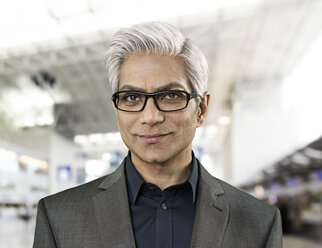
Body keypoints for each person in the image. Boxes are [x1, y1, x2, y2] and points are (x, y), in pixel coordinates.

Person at [33, 22, 282, 248]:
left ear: (202, 109)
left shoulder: (258, 222)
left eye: (171, 96)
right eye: (132, 98)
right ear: (117, 109)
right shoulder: (59, 218)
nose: (150, 116)